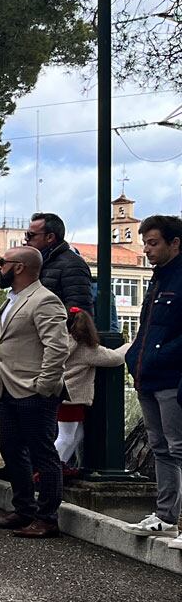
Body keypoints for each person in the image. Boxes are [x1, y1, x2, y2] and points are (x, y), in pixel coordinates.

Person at [0, 245, 69, 538]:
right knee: (10, 447)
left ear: (19, 267)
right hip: (8, 388)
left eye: (2, 262)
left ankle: (47, 518)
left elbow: (57, 347)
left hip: (34, 391)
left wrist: (43, 385)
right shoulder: (12, 299)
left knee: (43, 454)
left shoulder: (45, 300)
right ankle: (24, 509)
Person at [127, 214, 182, 542]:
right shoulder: (158, 278)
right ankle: (165, 516)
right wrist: (136, 357)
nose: (147, 249)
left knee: (177, 447)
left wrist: (159, 357)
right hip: (148, 376)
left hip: (171, 378)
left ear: (175, 243)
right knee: (161, 447)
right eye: (145, 243)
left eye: (153, 243)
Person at [58, 311, 129, 473]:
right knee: (66, 437)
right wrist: (127, 346)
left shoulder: (60, 343)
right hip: (73, 399)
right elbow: (114, 358)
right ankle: (47, 471)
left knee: (76, 435)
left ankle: (59, 466)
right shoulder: (86, 348)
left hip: (60, 396)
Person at [25, 212, 94, 315]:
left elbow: (79, 311)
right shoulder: (36, 261)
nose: (26, 239)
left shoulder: (73, 264)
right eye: (26, 235)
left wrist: (47, 321)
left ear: (50, 237)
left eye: (31, 235)